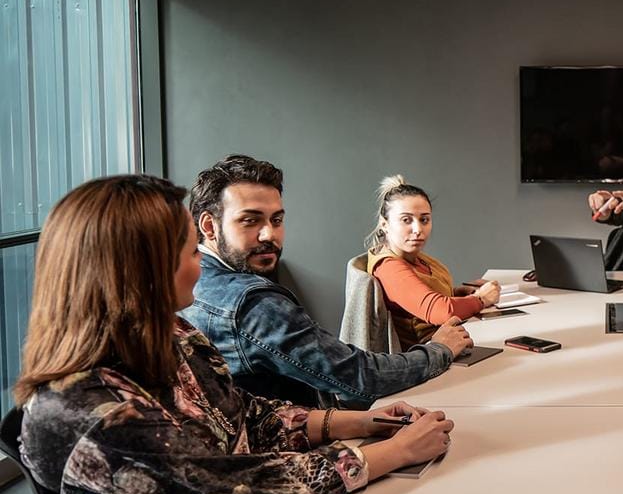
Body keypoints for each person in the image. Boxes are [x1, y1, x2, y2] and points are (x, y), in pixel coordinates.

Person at [15, 175, 455, 494]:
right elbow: (240, 491)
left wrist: (363, 422)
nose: (199, 266)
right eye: (190, 253)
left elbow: (245, 415)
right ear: (141, 270)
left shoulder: (172, 336)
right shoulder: (91, 412)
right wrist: (396, 452)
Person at [181, 155, 472, 409]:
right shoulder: (254, 305)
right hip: (300, 452)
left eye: (277, 220)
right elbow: (363, 377)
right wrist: (440, 350)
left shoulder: (192, 282)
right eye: (250, 220)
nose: (269, 234)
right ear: (209, 226)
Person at [366, 175, 501, 350]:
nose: (418, 229)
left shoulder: (413, 256)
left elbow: (418, 295)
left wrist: (457, 293)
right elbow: (442, 311)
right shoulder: (388, 267)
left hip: (454, 341)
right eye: (406, 220)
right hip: (431, 357)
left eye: (424, 220)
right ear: (385, 225)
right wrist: (481, 299)